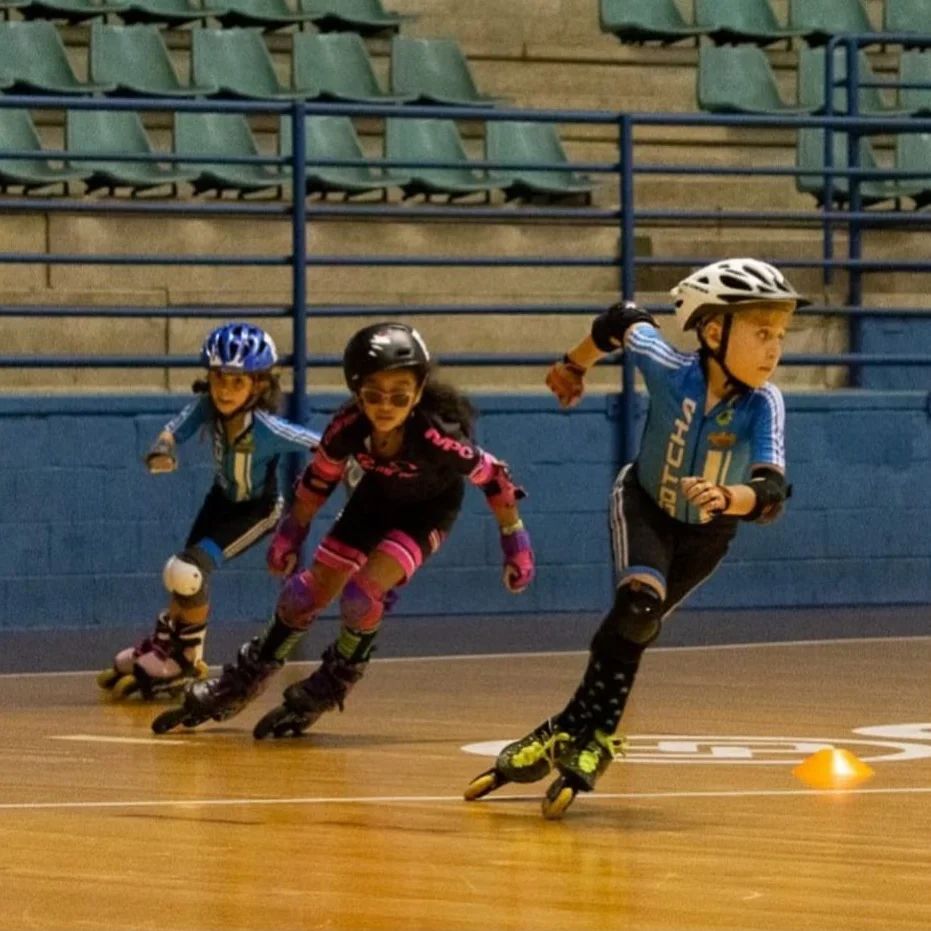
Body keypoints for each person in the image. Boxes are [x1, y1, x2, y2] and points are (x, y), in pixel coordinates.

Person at [464, 257, 804, 818]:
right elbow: (623, 319)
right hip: (643, 503)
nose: (774, 349)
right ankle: (592, 738)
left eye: (780, 336)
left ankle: (565, 729)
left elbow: (770, 488)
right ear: (714, 330)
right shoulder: (669, 366)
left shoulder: (764, 403)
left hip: (707, 531)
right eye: (762, 333)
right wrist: (573, 366)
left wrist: (729, 498)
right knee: (638, 605)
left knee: (635, 627)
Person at [152, 321, 535, 736]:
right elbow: (318, 481)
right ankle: (243, 680)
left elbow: (495, 478)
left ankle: (336, 678)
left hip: (428, 511)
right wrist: (291, 532)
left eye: (400, 396)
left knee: (361, 594)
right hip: (373, 501)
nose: (386, 406)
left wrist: (515, 539)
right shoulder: (347, 428)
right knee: (301, 596)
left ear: (419, 392)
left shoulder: (437, 436)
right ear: (357, 393)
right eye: (373, 395)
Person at [97, 322, 321, 700]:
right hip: (220, 500)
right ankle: (170, 646)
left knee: (189, 571)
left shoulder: (267, 428)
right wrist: (162, 449)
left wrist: (356, 462)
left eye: (237, 382)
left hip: (258, 509)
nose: (224, 390)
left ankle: (185, 660)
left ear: (259, 385)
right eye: (218, 379)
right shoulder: (207, 407)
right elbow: (174, 430)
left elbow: (319, 443)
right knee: (179, 570)